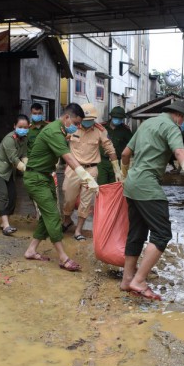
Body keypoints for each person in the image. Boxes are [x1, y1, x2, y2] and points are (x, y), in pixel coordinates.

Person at [119, 100, 184, 300]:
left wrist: (125, 175)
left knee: (137, 232)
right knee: (162, 233)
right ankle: (139, 280)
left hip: (132, 184)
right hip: (148, 186)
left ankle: (127, 279)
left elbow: (125, 153)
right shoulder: (171, 127)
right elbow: (179, 152)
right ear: (180, 116)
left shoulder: (147, 124)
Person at [23, 103, 99, 271]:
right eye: (76, 123)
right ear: (66, 118)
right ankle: (63, 258)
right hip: (36, 179)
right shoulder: (54, 132)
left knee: (46, 216)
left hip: (45, 177)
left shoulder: (60, 130)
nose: (78, 127)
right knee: (53, 217)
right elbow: (68, 157)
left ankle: (31, 250)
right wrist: (85, 176)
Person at [61, 104, 121, 241]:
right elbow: (59, 144)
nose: (88, 121)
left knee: (86, 201)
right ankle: (67, 220)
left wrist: (117, 169)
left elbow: (110, 149)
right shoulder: (72, 128)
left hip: (91, 170)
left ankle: (78, 230)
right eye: (85, 118)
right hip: (73, 168)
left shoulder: (100, 131)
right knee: (68, 197)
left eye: (91, 119)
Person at [0, 114, 29, 236]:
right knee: (3, 195)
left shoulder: (24, 139)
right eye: (20, 126)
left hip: (8, 172)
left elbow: (24, 155)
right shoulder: (9, 139)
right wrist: (28, 171)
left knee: (13, 196)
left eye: (25, 127)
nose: (23, 129)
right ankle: (5, 225)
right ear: (14, 126)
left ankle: (4, 222)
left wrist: (28, 166)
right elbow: (14, 160)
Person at [97, 106, 133, 185]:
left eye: (120, 118)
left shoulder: (125, 130)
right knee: (102, 185)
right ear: (111, 117)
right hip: (102, 161)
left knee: (115, 184)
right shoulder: (101, 127)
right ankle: (103, 198)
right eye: (116, 117)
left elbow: (131, 144)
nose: (117, 120)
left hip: (118, 161)